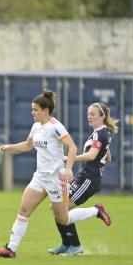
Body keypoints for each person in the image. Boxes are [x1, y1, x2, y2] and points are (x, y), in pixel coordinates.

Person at [0, 89, 111, 258]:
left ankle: (95, 211)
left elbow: (72, 147)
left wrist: (68, 168)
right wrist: (10, 147)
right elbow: (27, 145)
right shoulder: (36, 127)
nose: (32, 112)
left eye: (35, 110)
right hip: (40, 177)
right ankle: (10, 249)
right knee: (24, 209)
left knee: (63, 218)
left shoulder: (56, 127)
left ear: (45, 111)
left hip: (57, 179)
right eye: (32, 109)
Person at [48, 102, 117, 256]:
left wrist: (69, 158)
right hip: (82, 177)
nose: (89, 117)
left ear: (102, 116)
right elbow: (108, 157)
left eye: (93, 114)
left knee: (63, 209)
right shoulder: (101, 133)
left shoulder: (100, 133)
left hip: (88, 179)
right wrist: (102, 154)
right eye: (88, 114)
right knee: (55, 208)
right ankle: (66, 243)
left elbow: (92, 155)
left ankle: (94, 214)